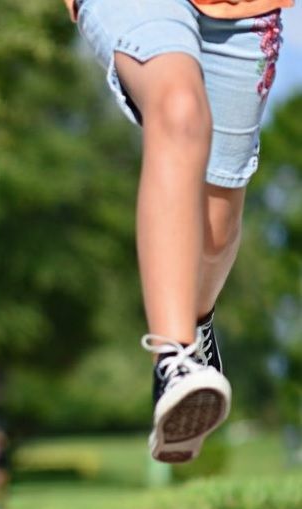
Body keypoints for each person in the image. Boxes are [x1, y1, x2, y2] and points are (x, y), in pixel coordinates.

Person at [62, 0, 293, 462]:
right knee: (180, 110)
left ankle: (197, 325)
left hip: (243, 11)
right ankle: (175, 359)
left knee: (214, 234)